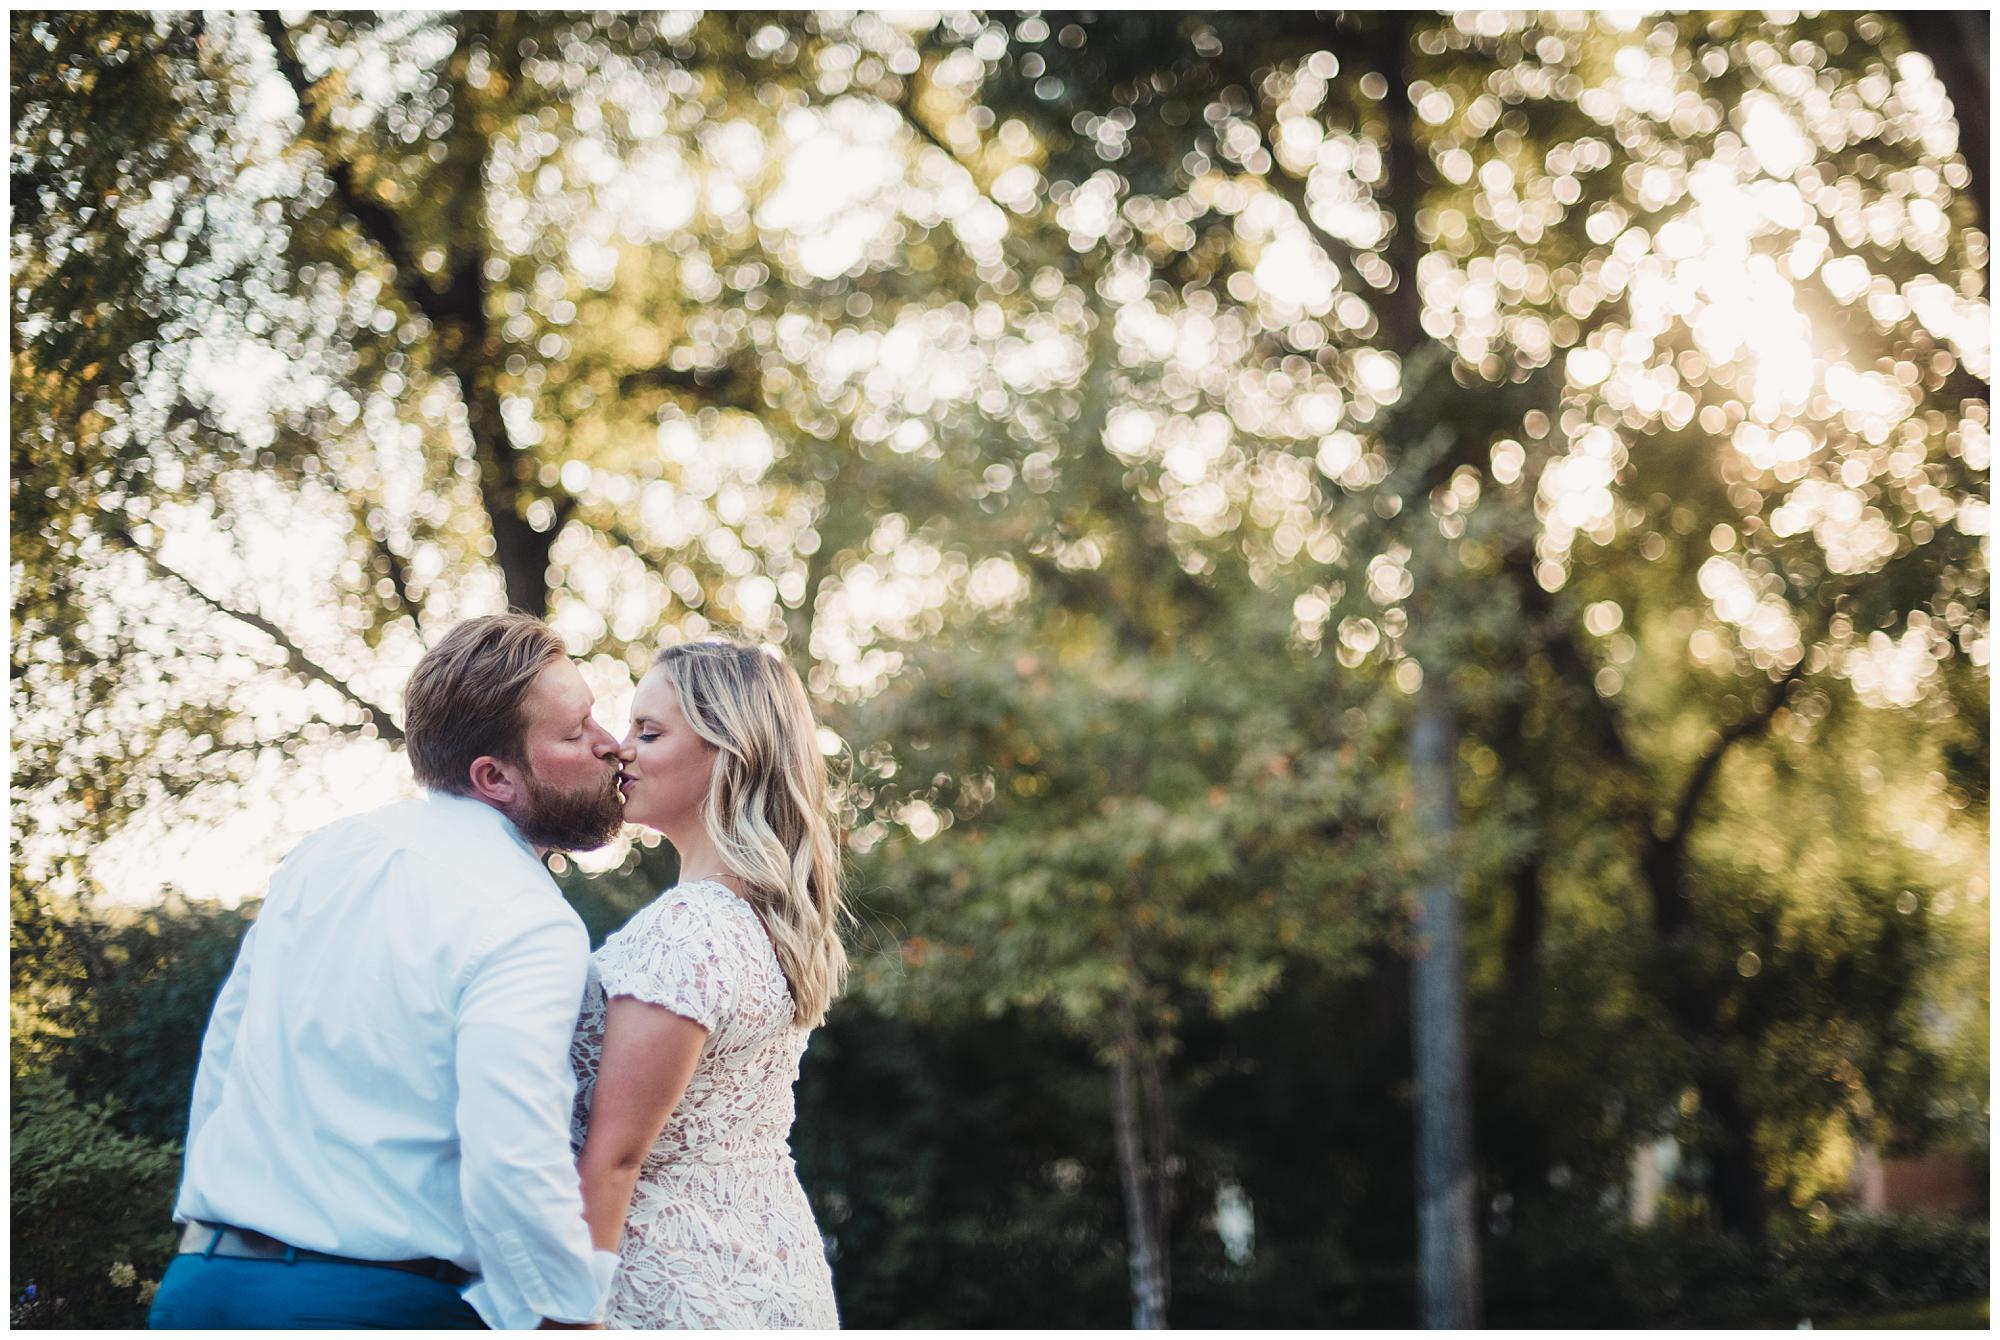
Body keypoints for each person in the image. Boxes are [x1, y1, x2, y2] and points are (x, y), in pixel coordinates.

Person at [148, 613, 627, 1330]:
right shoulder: (528, 917)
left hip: (201, 1288)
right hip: (372, 1306)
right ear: (493, 777)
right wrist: (567, 1314)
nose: (609, 744)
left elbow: (226, 1056)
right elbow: (513, 1156)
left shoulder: (326, 852)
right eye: (574, 731)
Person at [571, 638, 846, 1328]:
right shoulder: (769, 922)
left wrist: (565, 1319)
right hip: (771, 1278)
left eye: (649, 731)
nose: (621, 749)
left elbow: (614, 1159)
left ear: (729, 751)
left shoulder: (687, 931)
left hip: (674, 1291)